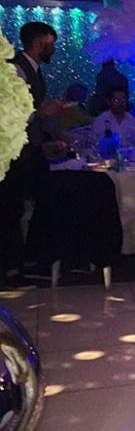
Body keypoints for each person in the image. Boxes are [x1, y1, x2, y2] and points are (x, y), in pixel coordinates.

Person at [1, 21, 65, 288]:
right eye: (51, 44)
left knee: (46, 199)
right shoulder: (16, 69)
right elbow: (11, 112)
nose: (54, 49)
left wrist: (43, 142)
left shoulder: (33, 70)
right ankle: (12, 270)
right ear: (39, 44)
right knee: (11, 209)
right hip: (16, 153)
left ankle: (33, 259)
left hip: (30, 150)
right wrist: (41, 112)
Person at [91, 86, 135, 153]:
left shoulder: (133, 121)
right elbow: (94, 145)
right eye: (116, 100)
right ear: (108, 102)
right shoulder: (100, 121)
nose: (121, 104)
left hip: (129, 158)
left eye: (123, 100)